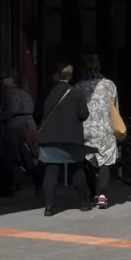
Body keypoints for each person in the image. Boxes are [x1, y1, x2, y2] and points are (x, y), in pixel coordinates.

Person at [38, 62, 92, 216]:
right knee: (77, 170)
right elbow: (83, 114)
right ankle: (84, 203)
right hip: (72, 137)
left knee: (51, 170)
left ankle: (49, 207)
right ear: (70, 76)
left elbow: (38, 112)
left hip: (49, 137)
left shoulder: (46, 92)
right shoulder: (77, 92)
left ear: (56, 75)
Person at [76, 54, 119, 209]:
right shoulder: (109, 85)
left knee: (88, 160)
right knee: (105, 161)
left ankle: (93, 193)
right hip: (105, 129)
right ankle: (102, 196)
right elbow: (115, 108)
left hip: (85, 129)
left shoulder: (78, 87)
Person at [0, 72, 36, 197]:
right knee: (28, 154)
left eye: (3, 78)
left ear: (11, 79)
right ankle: (37, 178)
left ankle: (15, 183)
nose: (1, 82)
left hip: (16, 126)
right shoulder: (25, 93)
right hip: (30, 126)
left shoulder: (8, 92)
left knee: (13, 156)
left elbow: (12, 110)